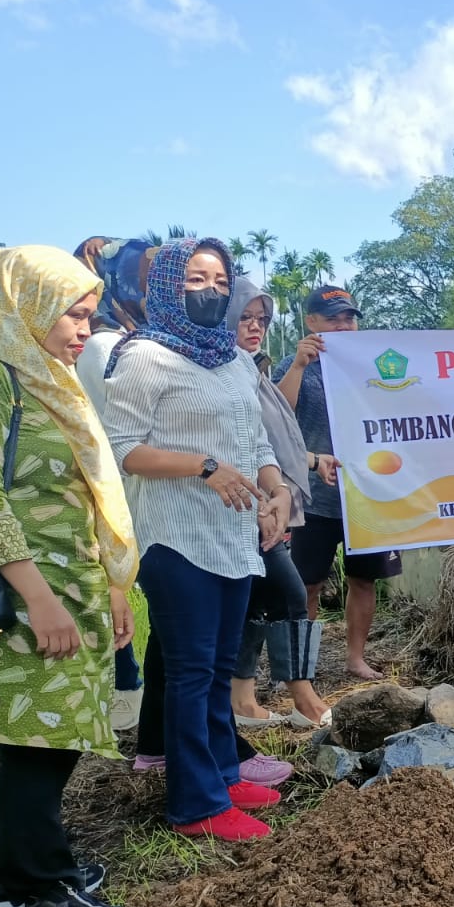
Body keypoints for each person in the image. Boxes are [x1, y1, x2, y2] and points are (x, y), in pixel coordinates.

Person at [0, 246, 137, 907]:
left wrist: (112, 586)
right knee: (39, 739)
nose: (85, 329)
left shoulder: (44, 377)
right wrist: (39, 597)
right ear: (24, 304)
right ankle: (42, 886)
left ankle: (2, 875)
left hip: (70, 583)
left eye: (90, 315)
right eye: (72, 314)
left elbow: (81, 493)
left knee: (53, 734)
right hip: (24, 590)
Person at [105, 238, 292, 842]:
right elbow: (122, 449)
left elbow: (256, 443)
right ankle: (196, 806)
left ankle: (223, 775)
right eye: (196, 278)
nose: (211, 290)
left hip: (233, 535)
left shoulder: (233, 359)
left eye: (220, 281)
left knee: (216, 670)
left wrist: (276, 490)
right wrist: (204, 467)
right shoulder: (144, 357)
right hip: (176, 537)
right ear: (166, 284)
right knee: (189, 674)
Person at [273, 284, 398, 681]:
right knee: (307, 585)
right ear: (311, 322)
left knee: (364, 580)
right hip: (315, 497)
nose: (343, 326)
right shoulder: (294, 365)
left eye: (349, 319)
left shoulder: (373, 364)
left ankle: (355, 658)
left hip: (369, 494)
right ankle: (301, 670)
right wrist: (298, 365)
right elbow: (275, 415)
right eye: (333, 319)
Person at [227, 276, 334, 730]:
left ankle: (242, 700)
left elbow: (271, 438)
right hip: (242, 504)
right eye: (245, 317)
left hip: (266, 500)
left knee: (256, 598)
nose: (255, 327)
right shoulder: (223, 374)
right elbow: (248, 443)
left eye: (262, 319)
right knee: (289, 594)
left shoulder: (247, 369)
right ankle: (302, 696)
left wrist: (310, 461)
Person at [72, 236, 155, 731]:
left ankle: (128, 687)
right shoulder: (105, 345)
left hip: (120, 483)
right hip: (120, 486)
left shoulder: (119, 339)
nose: (148, 291)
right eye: (139, 280)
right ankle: (127, 688)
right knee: (123, 590)